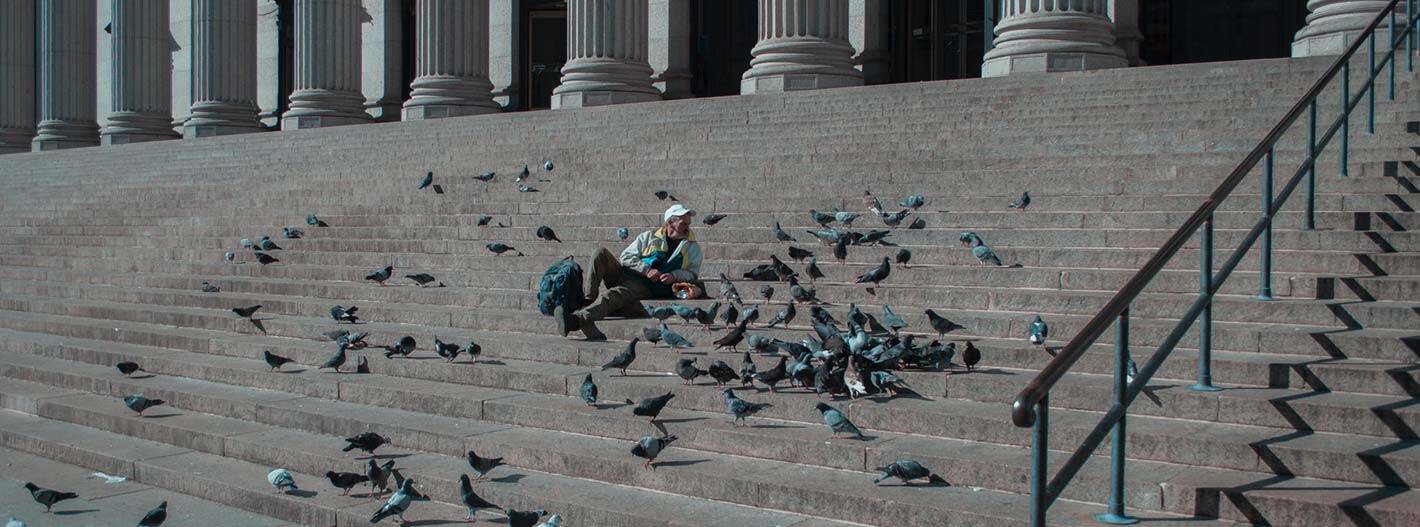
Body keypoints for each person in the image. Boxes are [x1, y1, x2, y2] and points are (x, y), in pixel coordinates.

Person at [555, 204, 703, 341]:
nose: (687, 228)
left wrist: (674, 276)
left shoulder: (692, 247)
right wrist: (646, 269)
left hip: (646, 286)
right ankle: (588, 301)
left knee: (613, 295)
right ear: (670, 223)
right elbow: (625, 257)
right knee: (600, 253)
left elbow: (692, 273)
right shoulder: (649, 237)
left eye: (688, 224)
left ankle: (575, 321)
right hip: (627, 273)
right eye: (684, 223)